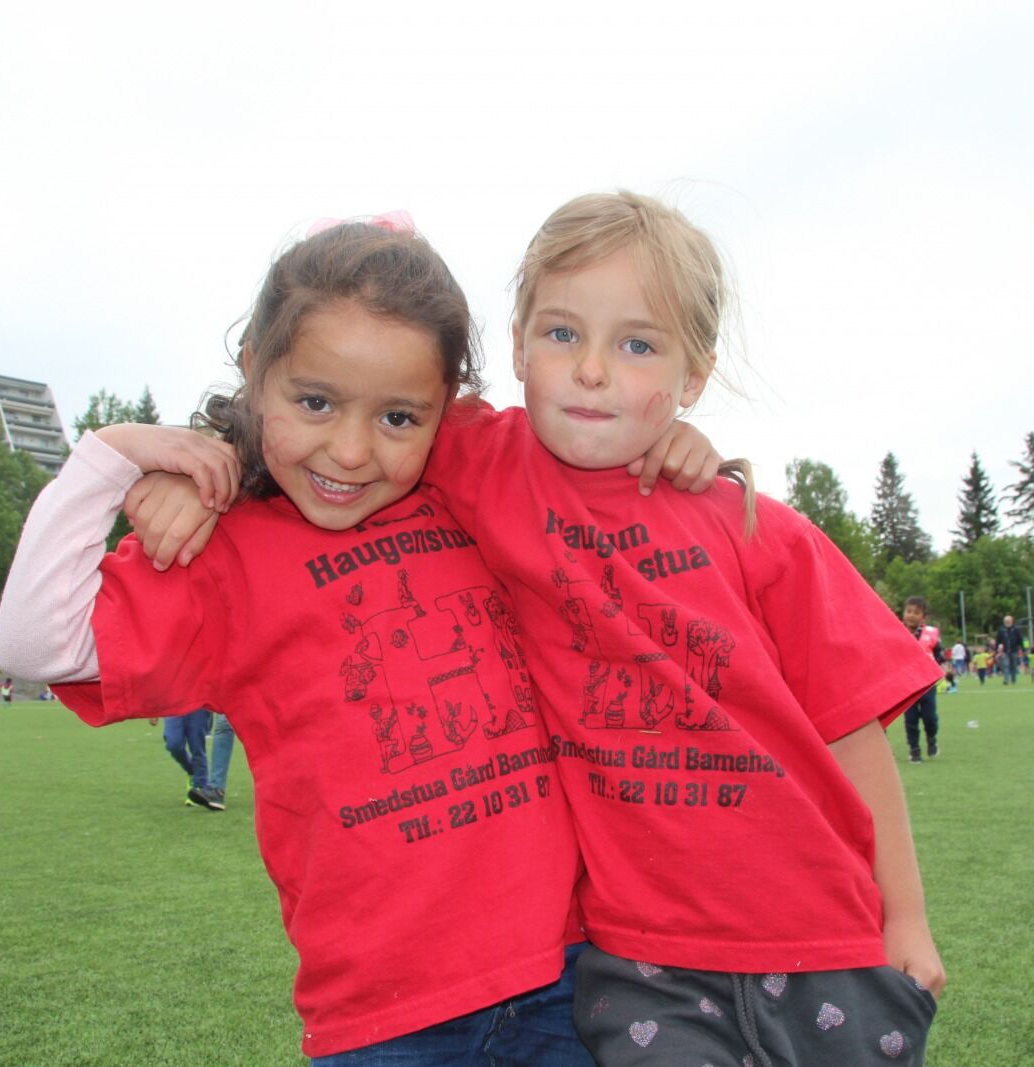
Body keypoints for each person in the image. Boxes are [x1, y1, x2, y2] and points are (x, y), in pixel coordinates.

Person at [129, 192, 948, 1065]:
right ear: (516, 344)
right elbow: (335, 399)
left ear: (693, 375)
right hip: (641, 963)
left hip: (829, 937)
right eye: (563, 334)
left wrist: (906, 915)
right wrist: (200, 465)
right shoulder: (477, 461)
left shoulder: (753, 526)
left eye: (637, 345)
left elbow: (852, 727)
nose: (592, 369)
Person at [0, 216, 717, 1063]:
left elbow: (596, 443)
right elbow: (35, 645)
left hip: (572, 979)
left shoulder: (476, 484)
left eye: (400, 417)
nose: (351, 449)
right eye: (314, 402)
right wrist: (115, 456)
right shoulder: (224, 550)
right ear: (253, 372)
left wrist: (668, 444)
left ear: (447, 407)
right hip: (384, 1019)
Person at [903, 597, 942, 763]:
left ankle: (931, 738)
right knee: (910, 719)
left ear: (923, 617)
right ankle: (914, 749)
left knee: (929, 717)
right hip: (906, 684)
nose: (911, 615)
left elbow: (939, 654)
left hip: (926, 683)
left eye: (916, 612)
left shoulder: (930, 634)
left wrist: (944, 668)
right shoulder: (896, 631)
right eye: (909, 611)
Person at [163, 708, 214, 809]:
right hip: (173, 704)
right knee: (173, 745)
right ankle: (191, 770)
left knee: (197, 747)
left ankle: (200, 788)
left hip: (198, 706)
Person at [995, 615, 1024, 685]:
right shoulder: (1001, 630)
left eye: (1008, 621)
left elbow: (1020, 639)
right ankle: (1006, 680)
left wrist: (1022, 648)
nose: (1007, 622)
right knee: (1005, 665)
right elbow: (998, 640)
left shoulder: (1016, 629)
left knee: (1013, 665)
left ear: (1011, 621)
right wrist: (997, 649)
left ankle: (1013, 679)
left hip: (1014, 650)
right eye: (1006, 621)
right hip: (1004, 651)